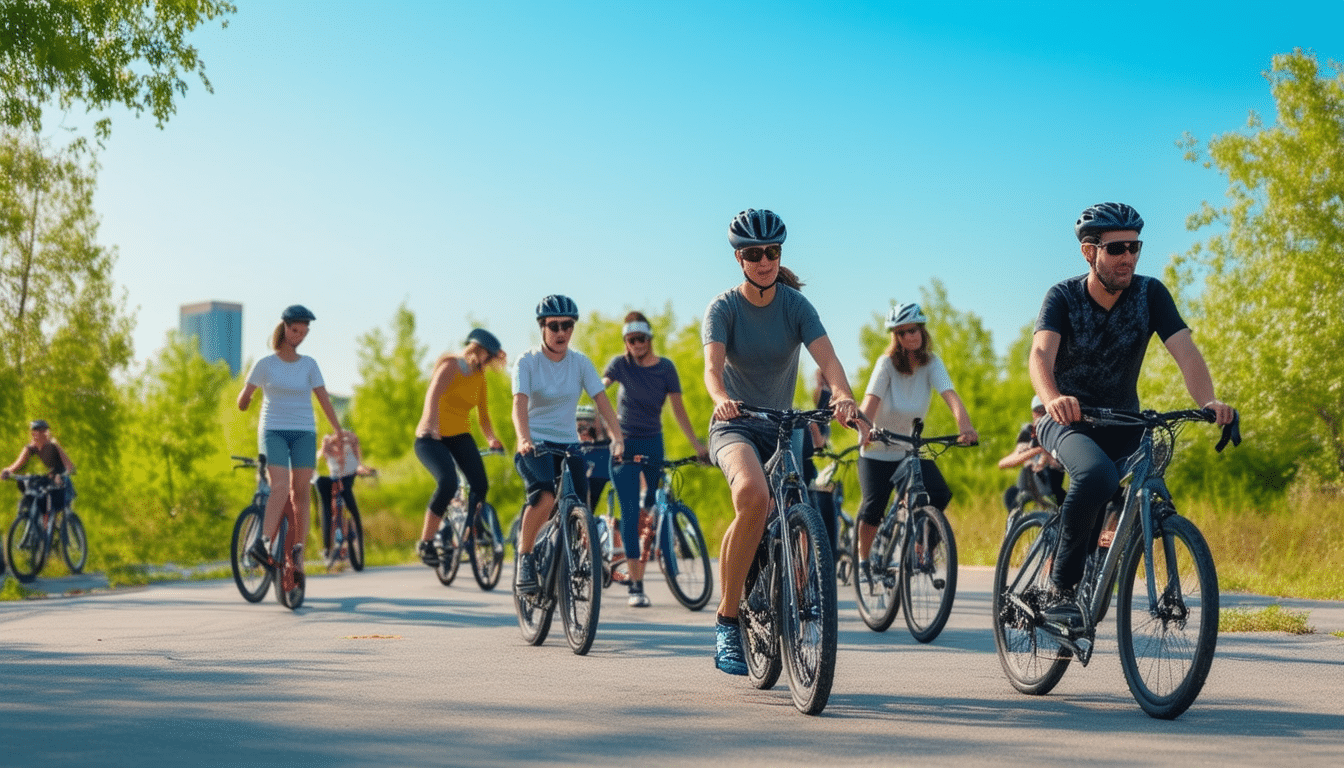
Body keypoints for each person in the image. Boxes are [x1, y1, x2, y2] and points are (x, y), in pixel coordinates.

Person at [1029, 201, 1234, 627]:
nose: (1128, 257)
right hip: (1066, 420)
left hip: (1123, 421)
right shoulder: (1063, 297)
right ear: (1090, 252)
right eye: (1117, 248)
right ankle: (1060, 587)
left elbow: (1186, 353)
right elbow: (1040, 354)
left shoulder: (1149, 294)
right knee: (1097, 476)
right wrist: (1052, 398)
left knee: (1142, 477)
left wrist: (1209, 402)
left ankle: (1099, 564)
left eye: (1135, 247)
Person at [702, 208, 862, 675]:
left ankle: (786, 590)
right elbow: (712, 369)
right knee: (753, 496)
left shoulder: (795, 306)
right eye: (754, 254)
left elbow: (828, 360)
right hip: (735, 423)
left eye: (771, 252)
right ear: (739, 259)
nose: (764, 261)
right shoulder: (724, 308)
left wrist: (845, 397)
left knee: (796, 508)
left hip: (782, 425)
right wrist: (721, 398)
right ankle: (727, 620)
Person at [854, 303, 978, 579]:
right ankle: (864, 562)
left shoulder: (932, 363)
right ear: (895, 337)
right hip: (876, 449)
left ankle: (920, 547)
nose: (910, 336)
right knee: (873, 507)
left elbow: (951, 395)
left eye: (914, 330)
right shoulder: (886, 364)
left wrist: (965, 426)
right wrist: (865, 429)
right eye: (902, 332)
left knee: (940, 493)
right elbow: (870, 403)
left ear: (922, 330)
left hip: (907, 450)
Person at [512, 295, 623, 595]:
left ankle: (579, 560)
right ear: (542, 327)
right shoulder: (528, 362)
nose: (561, 332)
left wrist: (618, 438)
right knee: (546, 496)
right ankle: (525, 556)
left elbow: (603, 401)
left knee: (581, 507)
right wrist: (524, 438)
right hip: (535, 443)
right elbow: (519, 405)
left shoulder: (580, 363)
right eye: (554, 326)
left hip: (569, 445)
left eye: (568, 325)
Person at [603, 310, 710, 608]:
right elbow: (601, 390)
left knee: (651, 503)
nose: (635, 345)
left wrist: (698, 445)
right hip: (623, 443)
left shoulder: (666, 369)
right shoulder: (620, 365)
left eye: (640, 339)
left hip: (653, 442)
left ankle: (656, 548)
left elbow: (678, 410)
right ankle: (635, 585)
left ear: (649, 339)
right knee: (630, 512)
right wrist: (607, 431)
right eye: (630, 340)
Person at [238, 305, 343, 584]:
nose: (299, 336)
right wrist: (245, 400)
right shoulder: (265, 364)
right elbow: (243, 398)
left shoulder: (309, 364)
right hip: (273, 430)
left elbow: (323, 399)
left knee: (301, 493)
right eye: (296, 330)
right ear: (284, 327)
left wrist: (338, 430)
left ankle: (297, 552)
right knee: (281, 486)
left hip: (304, 433)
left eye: (304, 332)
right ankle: (262, 543)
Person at [413, 328, 507, 567]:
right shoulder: (451, 366)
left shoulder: (480, 378)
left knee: (480, 485)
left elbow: (483, 417)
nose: (491, 362)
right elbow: (432, 396)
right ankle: (425, 542)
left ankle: (468, 531)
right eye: (490, 356)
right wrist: (431, 425)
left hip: (459, 436)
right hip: (429, 437)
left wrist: (491, 438)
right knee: (448, 482)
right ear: (481, 351)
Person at [996, 395, 1065, 512]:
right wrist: (1037, 450)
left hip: (1051, 482)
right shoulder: (1029, 431)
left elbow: (1058, 464)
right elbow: (1009, 461)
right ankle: (1017, 518)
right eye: (1038, 411)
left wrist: (1044, 456)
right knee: (1012, 493)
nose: (1041, 415)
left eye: (1044, 411)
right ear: (1033, 413)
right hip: (1029, 482)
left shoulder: (1060, 428)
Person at [1, 419, 76, 521]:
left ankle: (60, 529)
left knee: (57, 510)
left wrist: (64, 474)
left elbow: (69, 465)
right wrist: (7, 471)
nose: (42, 434)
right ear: (33, 434)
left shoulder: (53, 445)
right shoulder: (31, 448)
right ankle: (42, 531)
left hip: (62, 479)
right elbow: (16, 465)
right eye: (37, 431)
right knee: (40, 502)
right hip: (50, 478)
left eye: (44, 431)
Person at [314, 430, 374, 558]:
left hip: (348, 476)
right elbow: (318, 458)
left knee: (348, 500)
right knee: (329, 508)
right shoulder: (327, 444)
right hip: (333, 478)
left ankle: (356, 544)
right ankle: (328, 548)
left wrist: (364, 469)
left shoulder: (350, 439)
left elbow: (358, 461)